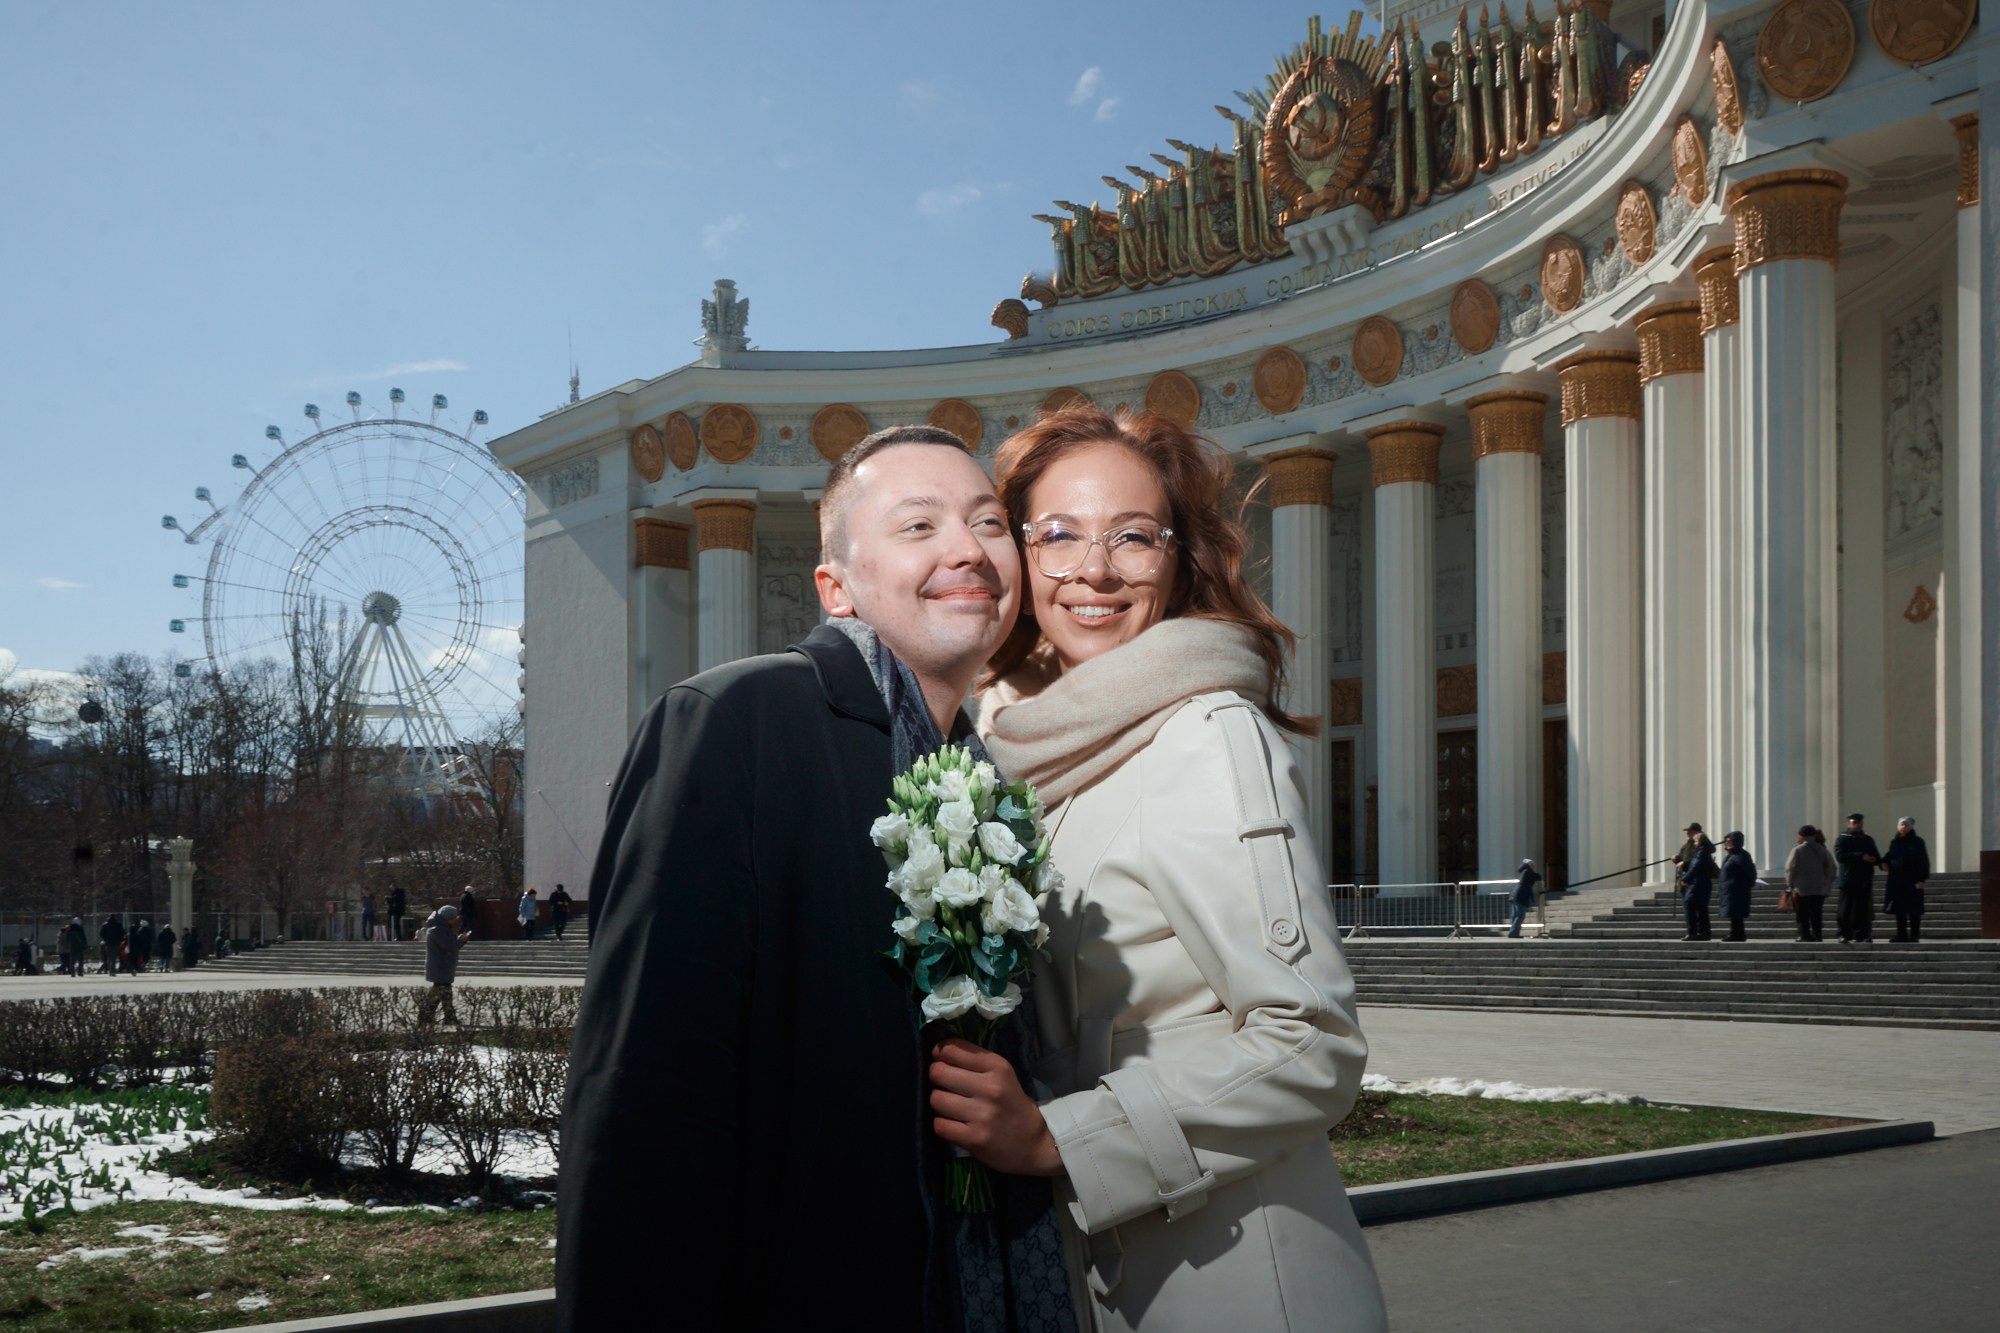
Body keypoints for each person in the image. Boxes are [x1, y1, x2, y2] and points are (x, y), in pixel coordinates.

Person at [559, 425, 1068, 1333]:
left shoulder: (984, 776)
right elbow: (641, 1104)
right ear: (837, 587)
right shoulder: (736, 722)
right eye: (919, 526)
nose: (969, 549)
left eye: (990, 523)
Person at [968, 407, 1387, 1332]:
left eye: (1133, 536)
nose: (1095, 570)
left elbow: (1310, 1042)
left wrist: (1052, 1138)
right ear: (1021, 557)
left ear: (1182, 555)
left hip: (1244, 1278)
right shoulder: (1054, 753)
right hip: (1128, 1268)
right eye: (1059, 535)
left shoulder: (1204, 734)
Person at [1833, 813, 1882, 945]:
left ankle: (1862, 934)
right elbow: (1840, 856)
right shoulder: (1842, 839)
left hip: (1864, 879)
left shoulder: (1868, 840)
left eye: (1859, 823)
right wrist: (1861, 856)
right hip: (1848, 879)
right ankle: (1844, 934)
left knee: (1863, 909)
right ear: (1848, 824)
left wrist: (1876, 860)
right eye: (1854, 822)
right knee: (1845, 909)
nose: (1856, 825)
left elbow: (1876, 856)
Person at [1783, 825, 1836, 942]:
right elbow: (1832, 868)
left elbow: (1790, 868)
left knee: (1802, 914)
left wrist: (1789, 883)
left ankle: (1804, 935)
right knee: (1816, 914)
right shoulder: (1822, 849)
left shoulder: (1797, 850)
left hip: (1801, 889)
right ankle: (1817, 935)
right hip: (1818, 888)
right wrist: (1826, 883)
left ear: (1801, 836)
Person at [1882, 816, 1931, 943]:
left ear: (1910, 827)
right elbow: (1889, 856)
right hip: (1897, 881)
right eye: (1901, 825)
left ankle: (1915, 935)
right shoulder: (1895, 842)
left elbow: (1923, 860)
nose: (1903, 827)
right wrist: (1882, 862)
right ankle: (1901, 935)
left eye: (1906, 825)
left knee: (1914, 909)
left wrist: (1922, 878)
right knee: (1900, 909)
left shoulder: (1918, 842)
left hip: (1913, 880)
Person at [419, 904, 468, 1026]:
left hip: (442, 966)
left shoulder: (441, 928)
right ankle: (428, 1017)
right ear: (447, 918)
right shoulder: (437, 930)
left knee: (443, 994)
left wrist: (460, 941)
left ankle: (434, 1017)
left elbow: (450, 945)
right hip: (440, 967)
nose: (454, 921)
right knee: (440, 993)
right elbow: (448, 946)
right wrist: (460, 940)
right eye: (453, 918)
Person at [1717, 832, 1756, 941]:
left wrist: (1748, 883)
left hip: (1737, 889)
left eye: (1728, 841)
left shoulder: (1741, 856)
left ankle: (1737, 934)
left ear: (1735, 842)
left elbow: (1750, 871)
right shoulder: (1730, 855)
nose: (1726, 843)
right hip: (1730, 889)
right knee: (1734, 913)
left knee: (1736, 913)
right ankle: (1736, 933)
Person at [1680, 838, 1716, 940]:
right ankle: (1704, 933)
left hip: (1697, 884)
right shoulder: (1703, 852)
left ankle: (1693, 933)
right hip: (1701, 884)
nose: (1694, 843)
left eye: (1695, 841)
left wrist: (1685, 878)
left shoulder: (1701, 852)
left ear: (1700, 842)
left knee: (1690, 905)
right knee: (1701, 908)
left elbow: (1695, 867)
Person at [1508, 858, 1542, 938]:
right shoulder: (1528, 871)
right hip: (1520, 896)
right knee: (1520, 916)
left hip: (1515, 896)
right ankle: (1514, 933)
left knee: (1515, 915)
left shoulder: (1524, 872)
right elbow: (1538, 877)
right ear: (1529, 865)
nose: (1534, 867)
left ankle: (1513, 932)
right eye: (1533, 865)